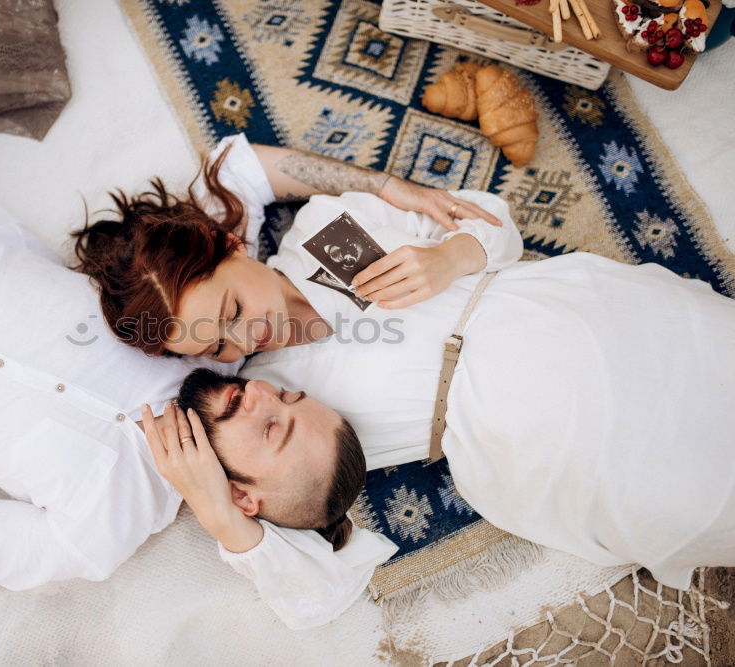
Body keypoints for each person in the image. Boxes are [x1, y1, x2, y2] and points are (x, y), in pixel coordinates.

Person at [0, 103, 481, 625]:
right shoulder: (189, 332)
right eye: (282, 405)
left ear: (246, 501)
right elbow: (238, 170)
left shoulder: (101, 528)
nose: (262, 397)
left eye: (275, 430)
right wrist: (384, 186)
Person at [85, 174, 735, 627]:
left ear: (231, 247)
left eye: (232, 308)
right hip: (532, 437)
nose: (241, 340)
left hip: (557, 310)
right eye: (213, 342)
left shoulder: (325, 234)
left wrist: (452, 256)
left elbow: (494, 221)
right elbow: (314, 588)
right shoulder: (262, 411)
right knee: (699, 491)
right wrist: (218, 511)